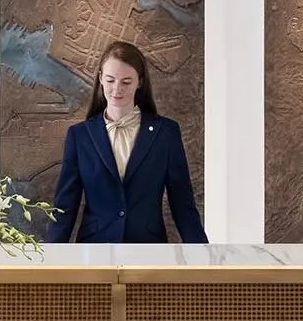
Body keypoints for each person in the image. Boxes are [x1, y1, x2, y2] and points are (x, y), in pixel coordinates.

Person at [44, 40, 206, 244]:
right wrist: (48, 263)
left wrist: (204, 259)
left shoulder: (166, 133)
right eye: (110, 80)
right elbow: (65, 208)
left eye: (126, 82)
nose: (116, 89)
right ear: (101, 79)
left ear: (140, 81)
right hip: (94, 252)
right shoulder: (80, 136)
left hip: (149, 251)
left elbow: (183, 204)